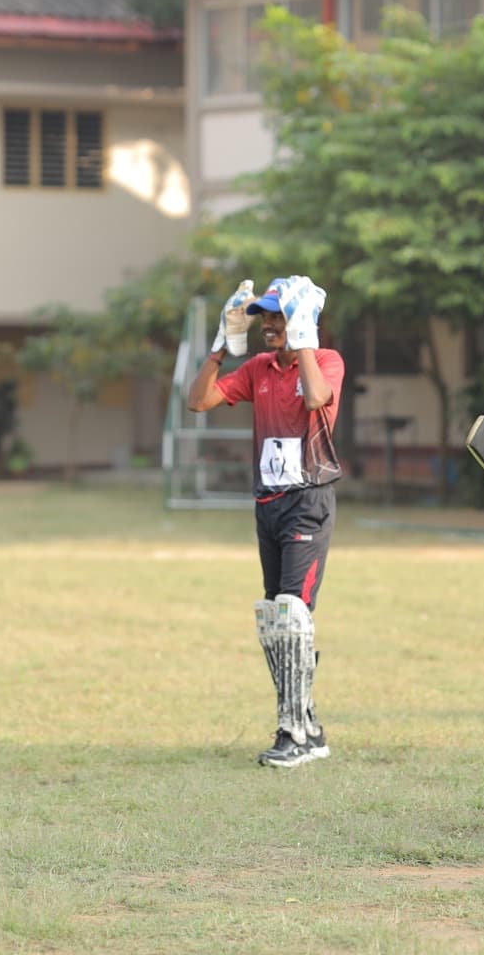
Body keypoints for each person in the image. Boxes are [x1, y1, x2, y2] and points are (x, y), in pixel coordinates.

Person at [185, 274, 345, 768]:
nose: (268, 326)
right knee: (276, 621)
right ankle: (308, 726)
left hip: (309, 502)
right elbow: (199, 401)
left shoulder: (325, 361)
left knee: (294, 616)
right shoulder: (257, 368)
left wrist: (302, 341)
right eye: (264, 317)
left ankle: (292, 733)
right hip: (268, 505)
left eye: (277, 315)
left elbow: (317, 399)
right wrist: (219, 348)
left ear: (299, 318)